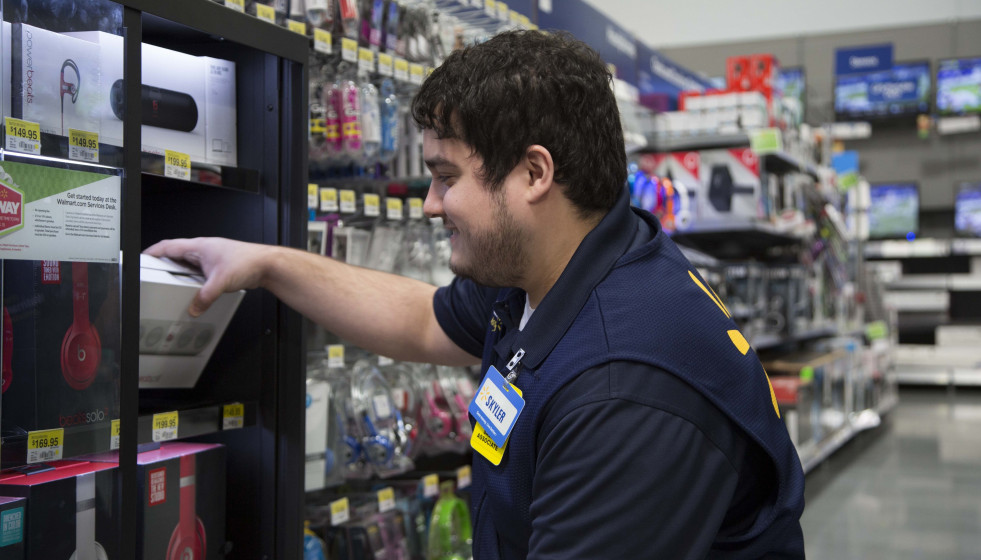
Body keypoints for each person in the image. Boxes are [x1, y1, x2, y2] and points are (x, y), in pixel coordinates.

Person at [147, 30, 805, 559]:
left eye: (444, 176)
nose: (430, 204)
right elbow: (419, 319)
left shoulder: (624, 390)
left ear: (533, 173)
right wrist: (264, 262)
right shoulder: (551, 270)